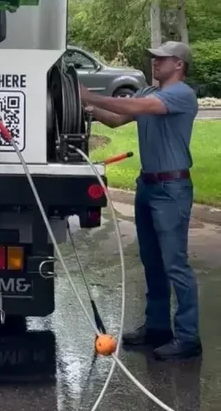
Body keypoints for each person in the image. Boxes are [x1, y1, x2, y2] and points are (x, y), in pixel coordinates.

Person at [79, 41, 201, 361]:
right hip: (148, 187)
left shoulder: (180, 95)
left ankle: (189, 338)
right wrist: (86, 107)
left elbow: (135, 109)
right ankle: (158, 328)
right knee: (152, 262)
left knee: (175, 264)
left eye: (161, 59)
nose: (154, 63)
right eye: (154, 59)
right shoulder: (149, 92)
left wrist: (89, 94)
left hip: (171, 189)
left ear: (178, 64)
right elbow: (117, 119)